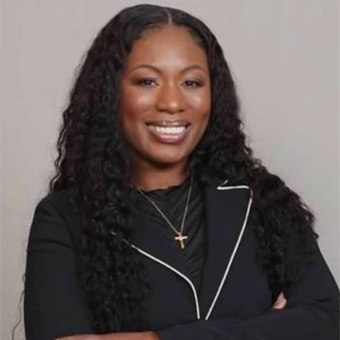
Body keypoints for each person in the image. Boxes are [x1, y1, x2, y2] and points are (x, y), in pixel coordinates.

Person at [23, 3, 340, 340]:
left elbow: (328, 322)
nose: (173, 102)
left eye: (191, 82)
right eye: (147, 81)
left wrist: (155, 338)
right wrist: (269, 328)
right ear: (110, 94)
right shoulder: (64, 219)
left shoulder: (262, 201)